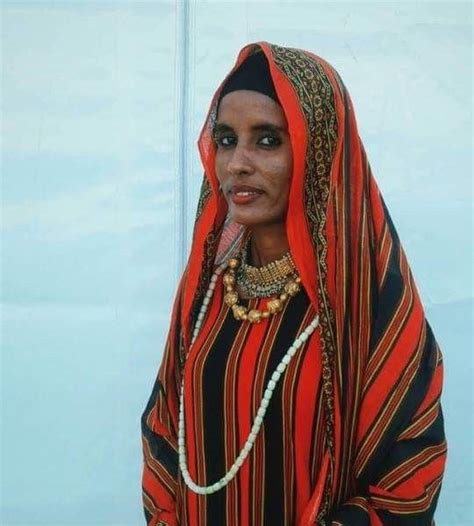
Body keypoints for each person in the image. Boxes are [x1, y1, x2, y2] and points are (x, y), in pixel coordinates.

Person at [141, 42, 447, 526]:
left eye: (266, 140)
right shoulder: (207, 294)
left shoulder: (370, 308)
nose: (237, 163)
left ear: (319, 149)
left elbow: (409, 479)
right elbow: (162, 432)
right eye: (224, 139)